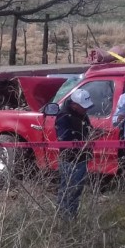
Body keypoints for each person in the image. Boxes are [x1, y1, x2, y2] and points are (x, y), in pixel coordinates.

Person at [55, 88, 95, 220]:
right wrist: (82, 140)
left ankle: (72, 215)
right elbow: (64, 138)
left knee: (77, 189)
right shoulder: (63, 116)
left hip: (82, 157)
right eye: (84, 107)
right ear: (74, 105)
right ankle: (64, 217)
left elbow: (88, 129)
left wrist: (94, 134)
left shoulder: (82, 114)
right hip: (70, 159)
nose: (86, 110)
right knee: (68, 189)